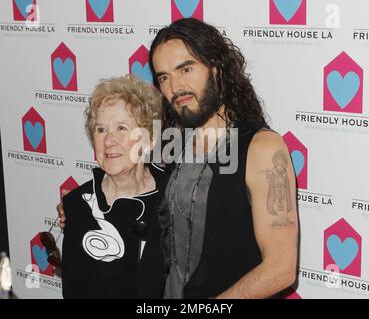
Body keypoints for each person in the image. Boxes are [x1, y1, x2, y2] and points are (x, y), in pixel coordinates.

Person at [59, 18, 298, 299]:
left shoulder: (262, 147)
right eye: (164, 77)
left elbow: (281, 268)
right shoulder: (173, 147)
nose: (175, 86)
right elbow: (137, 189)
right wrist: (78, 208)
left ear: (216, 68)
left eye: (185, 69)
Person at [61, 75, 166, 298]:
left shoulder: (174, 194)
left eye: (121, 128)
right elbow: (75, 292)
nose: (109, 140)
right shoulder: (77, 205)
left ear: (150, 139)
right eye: (101, 130)